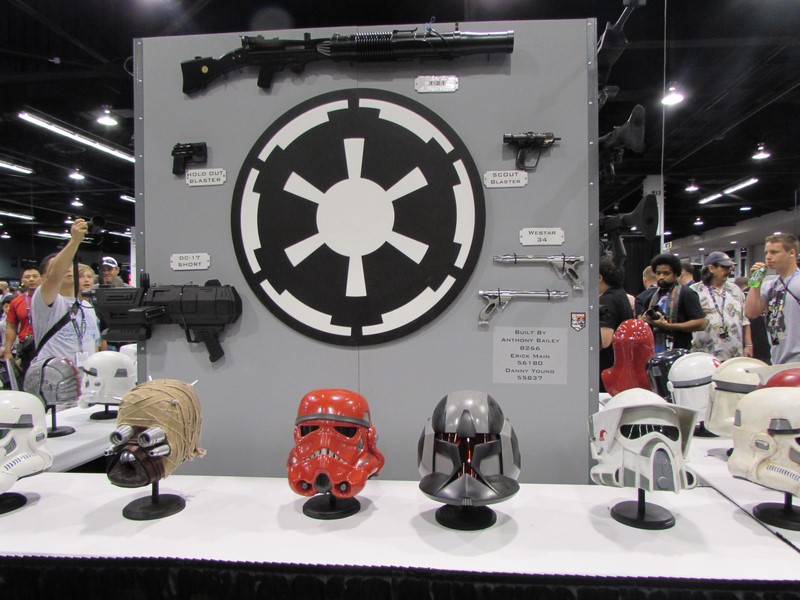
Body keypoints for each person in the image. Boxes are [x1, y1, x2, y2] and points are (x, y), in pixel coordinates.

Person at [32, 219, 100, 366]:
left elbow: (92, 342)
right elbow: (55, 275)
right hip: (54, 377)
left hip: (86, 377)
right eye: (61, 265)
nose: (67, 268)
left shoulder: (87, 306)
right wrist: (75, 241)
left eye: (69, 265)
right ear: (43, 278)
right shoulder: (45, 301)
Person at [745, 233, 800, 364]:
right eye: (766, 253)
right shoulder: (770, 285)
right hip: (777, 357)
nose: (768, 257)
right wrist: (756, 282)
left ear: (791, 253)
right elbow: (751, 313)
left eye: (774, 252)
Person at [690, 251, 752, 360]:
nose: (729, 270)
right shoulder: (694, 291)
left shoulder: (735, 290)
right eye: (725, 267)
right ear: (711, 268)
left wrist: (748, 345)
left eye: (730, 267)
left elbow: (744, 320)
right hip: (705, 355)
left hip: (734, 353)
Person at [639, 253, 706, 352]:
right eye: (658, 273)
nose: (661, 276)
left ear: (676, 274)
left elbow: (701, 324)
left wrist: (668, 326)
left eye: (666, 273)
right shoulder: (651, 296)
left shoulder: (687, 293)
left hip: (679, 351)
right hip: (654, 350)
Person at [598, 258, 633, 392]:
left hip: (606, 365)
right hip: (620, 363)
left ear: (599, 277)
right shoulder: (621, 295)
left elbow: (604, 340)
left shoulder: (607, 300)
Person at [3, 266, 42, 375]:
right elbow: (11, 327)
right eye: (27, 277)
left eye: (35, 276)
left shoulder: (53, 299)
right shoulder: (16, 302)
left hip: (48, 345)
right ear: (22, 281)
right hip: (28, 347)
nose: (31, 279)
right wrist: (8, 351)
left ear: (42, 279)